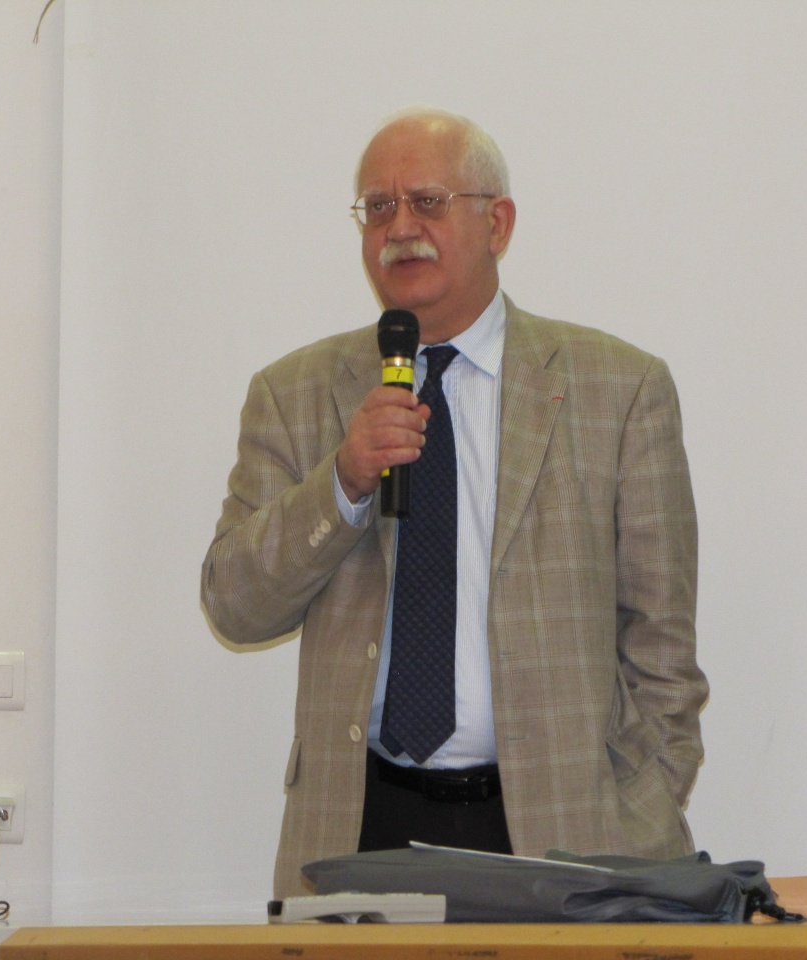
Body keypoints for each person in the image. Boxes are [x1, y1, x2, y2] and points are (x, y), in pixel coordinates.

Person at [201, 108, 707, 899]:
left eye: (428, 202)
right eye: (378, 207)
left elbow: (662, 641)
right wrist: (344, 479)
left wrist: (641, 810)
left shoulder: (621, 389)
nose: (400, 228)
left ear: (497, 223)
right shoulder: (293, 393)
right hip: (357, 823)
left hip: (566, 829)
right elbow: (235, 606)